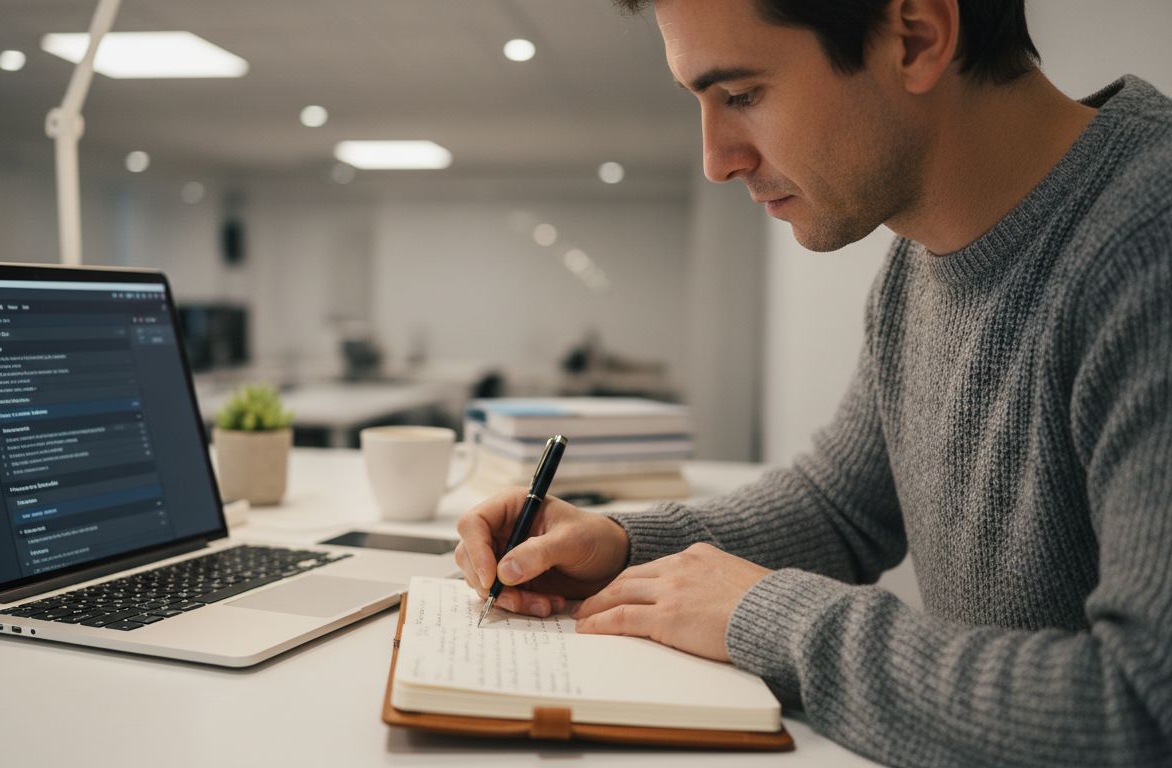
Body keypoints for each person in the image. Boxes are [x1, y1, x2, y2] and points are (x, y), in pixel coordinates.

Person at [453, 0, 1171, 764]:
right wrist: (623, 546)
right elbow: (841, 509)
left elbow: (1141, 709)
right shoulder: (918, 261)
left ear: (916, 36)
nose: (716, 158)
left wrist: (768, 617)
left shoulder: (1149, 244)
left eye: (742, 96)